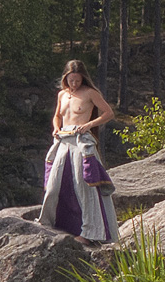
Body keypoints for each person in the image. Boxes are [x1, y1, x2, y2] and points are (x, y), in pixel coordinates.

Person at [40, 60, 117, 243]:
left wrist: (89, 125)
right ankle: (49, 223)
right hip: (63, 140)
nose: (74, 84)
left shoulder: (90, 93)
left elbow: (108, 113)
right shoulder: (62, 94)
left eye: (77, 80)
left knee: (84, 186)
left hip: (81, 141)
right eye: (71, 80)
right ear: (66, 78)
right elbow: (57, 116)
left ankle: (90, 232)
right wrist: (56, 128)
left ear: (83, 78)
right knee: (53, 184)